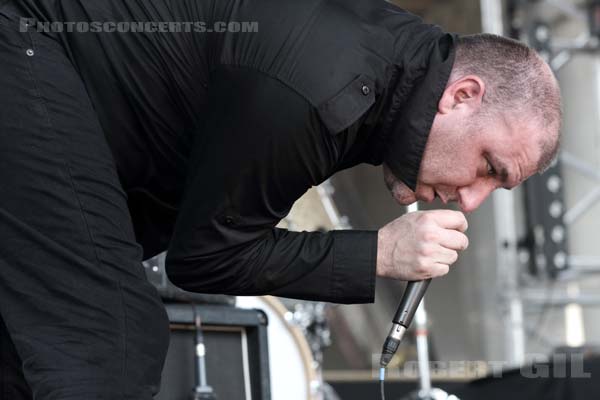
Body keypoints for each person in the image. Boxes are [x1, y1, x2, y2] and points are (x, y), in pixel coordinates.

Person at [0, 0, 561, 398]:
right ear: (461, 96)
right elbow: (205, 255)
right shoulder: (326, 89)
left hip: (57, 83)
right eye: (489, 167)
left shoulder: (387, 72)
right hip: (26, 44)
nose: (472, 200)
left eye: (497, 186)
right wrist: (377, 256)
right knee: (108, 340)